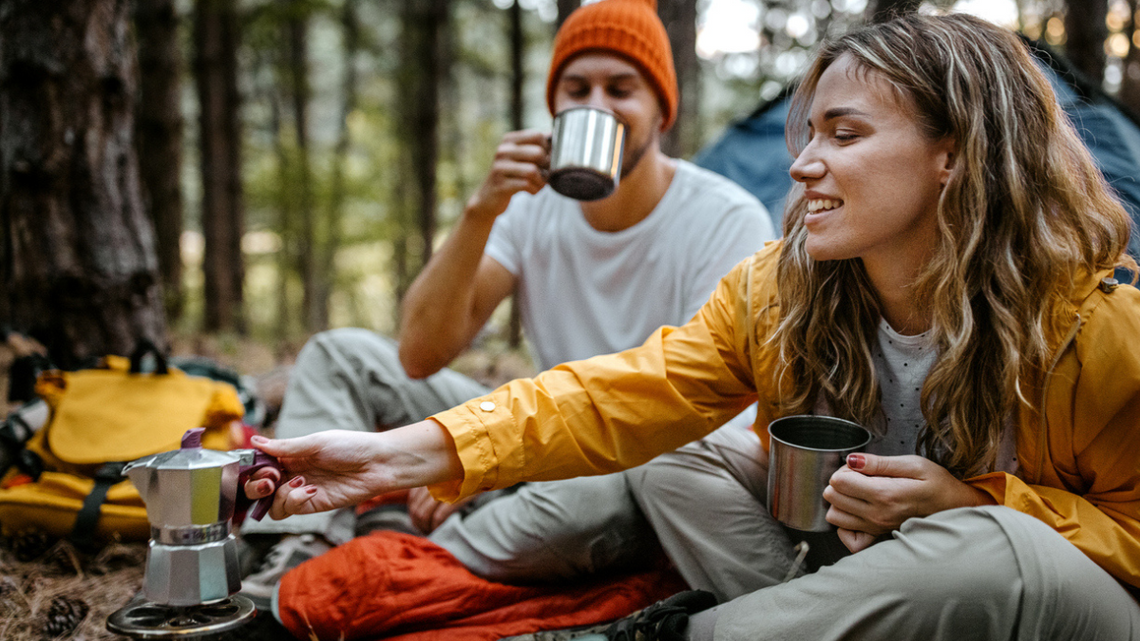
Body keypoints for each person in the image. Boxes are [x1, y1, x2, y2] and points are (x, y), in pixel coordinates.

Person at [247, 12, 1140, 640]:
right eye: (809, 132)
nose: (803, 162)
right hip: (833, 579)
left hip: (1033, 600)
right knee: (670, 450)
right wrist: (398, 455)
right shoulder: (784, 293)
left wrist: (970, 500)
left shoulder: (1098, 334)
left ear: (955, 154)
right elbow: (620, 394)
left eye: (844, 133)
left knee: (994, 550)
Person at [239, 0, 775, 605]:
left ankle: (389, 548)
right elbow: (419, 355)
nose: (596, 104)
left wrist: (486, 464)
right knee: (341, 355)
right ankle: (302, 547)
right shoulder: (530, 206)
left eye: (621, 88)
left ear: (662, 112)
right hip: (527, 427)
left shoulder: (723, 218)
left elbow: (705, 421)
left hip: (633, 460)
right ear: (554, 109)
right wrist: (481, 211)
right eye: (577, 89)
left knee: (590, 505)